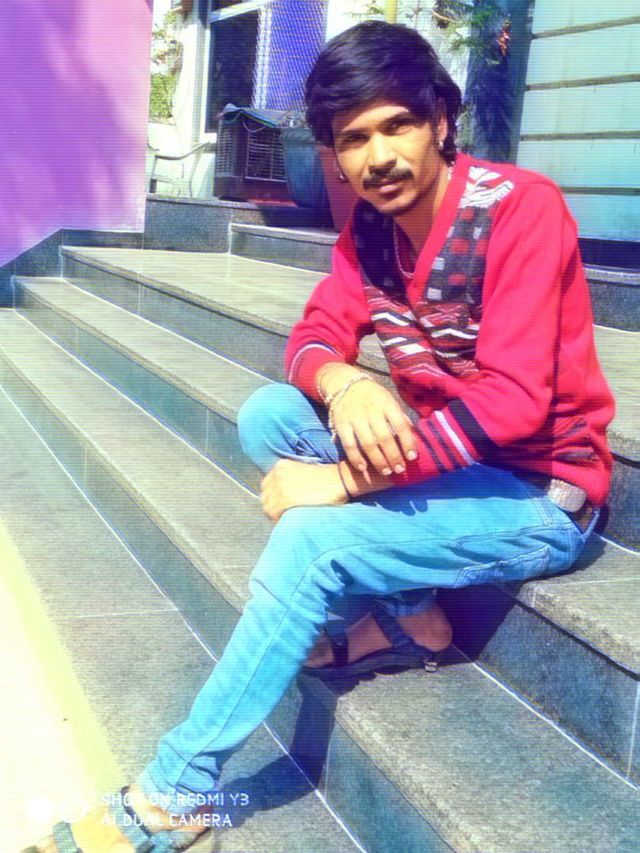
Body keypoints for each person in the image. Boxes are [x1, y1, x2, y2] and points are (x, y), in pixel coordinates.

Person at [28, 19, 615, 853]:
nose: (379, 157)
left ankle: (176, 793)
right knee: (273, 413)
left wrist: (342, 481)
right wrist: (346, 382)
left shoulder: (521, 209)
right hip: (454, 462)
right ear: (334, 153)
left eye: (397, 125)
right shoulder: (371, 230)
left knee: (313, 540)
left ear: (440, 120)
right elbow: (312, 339)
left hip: (540, 493)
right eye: (354, 138)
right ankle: (415, 619)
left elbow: (516, 405)